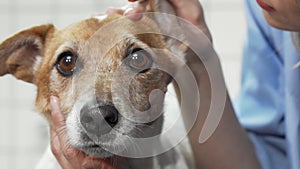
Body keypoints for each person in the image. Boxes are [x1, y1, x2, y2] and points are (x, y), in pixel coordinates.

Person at [49, 0, 300, 168]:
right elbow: (270, 158)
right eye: (68, 62)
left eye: (136, 58)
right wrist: (198, 61)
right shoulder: (267, 14)